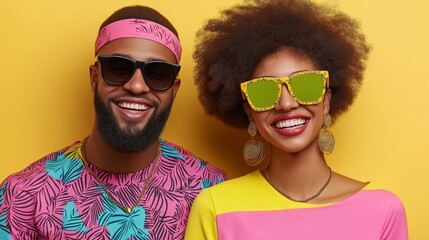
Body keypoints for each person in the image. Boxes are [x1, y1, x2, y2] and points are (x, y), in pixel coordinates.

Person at [185, 0, 407, 239]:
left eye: (305, 85)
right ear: (249, 111)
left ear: (326, 100)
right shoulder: (215, 209)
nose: (286, 104)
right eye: (264, 91)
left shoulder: (383, 210)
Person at [0, 5, 226, 240]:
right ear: (94, 77)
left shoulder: (209, 189)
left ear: (174, 89)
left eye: (158, 73)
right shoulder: (23, 196)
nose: (137, 86)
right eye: (119, 69)